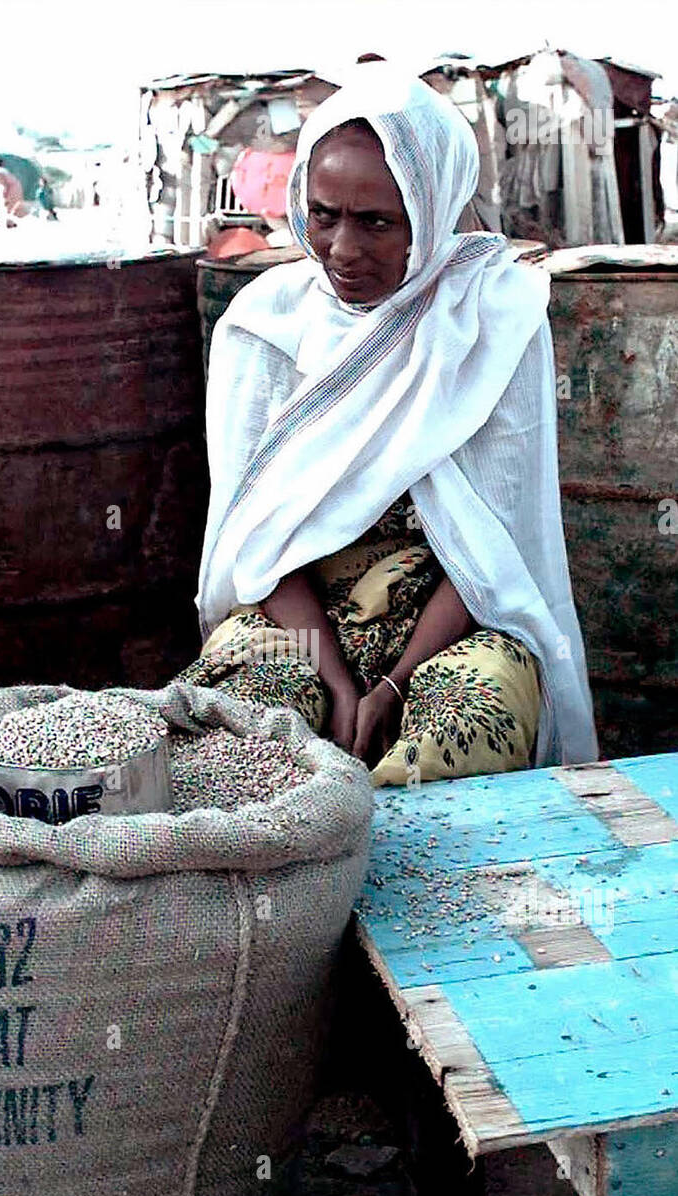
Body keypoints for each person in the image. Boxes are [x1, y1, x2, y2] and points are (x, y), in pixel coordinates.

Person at [179, 66, 597, 786]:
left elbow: (496, 537)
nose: (342, 248)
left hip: (453, 620)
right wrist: (337, 680)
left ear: (431, 215)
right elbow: (258, 537)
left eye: (377, 222)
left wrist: (396, 684)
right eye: (323, 213)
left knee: (462, 730)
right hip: (297, 620)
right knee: (241, 729)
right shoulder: (263, 326)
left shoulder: (488, 318)